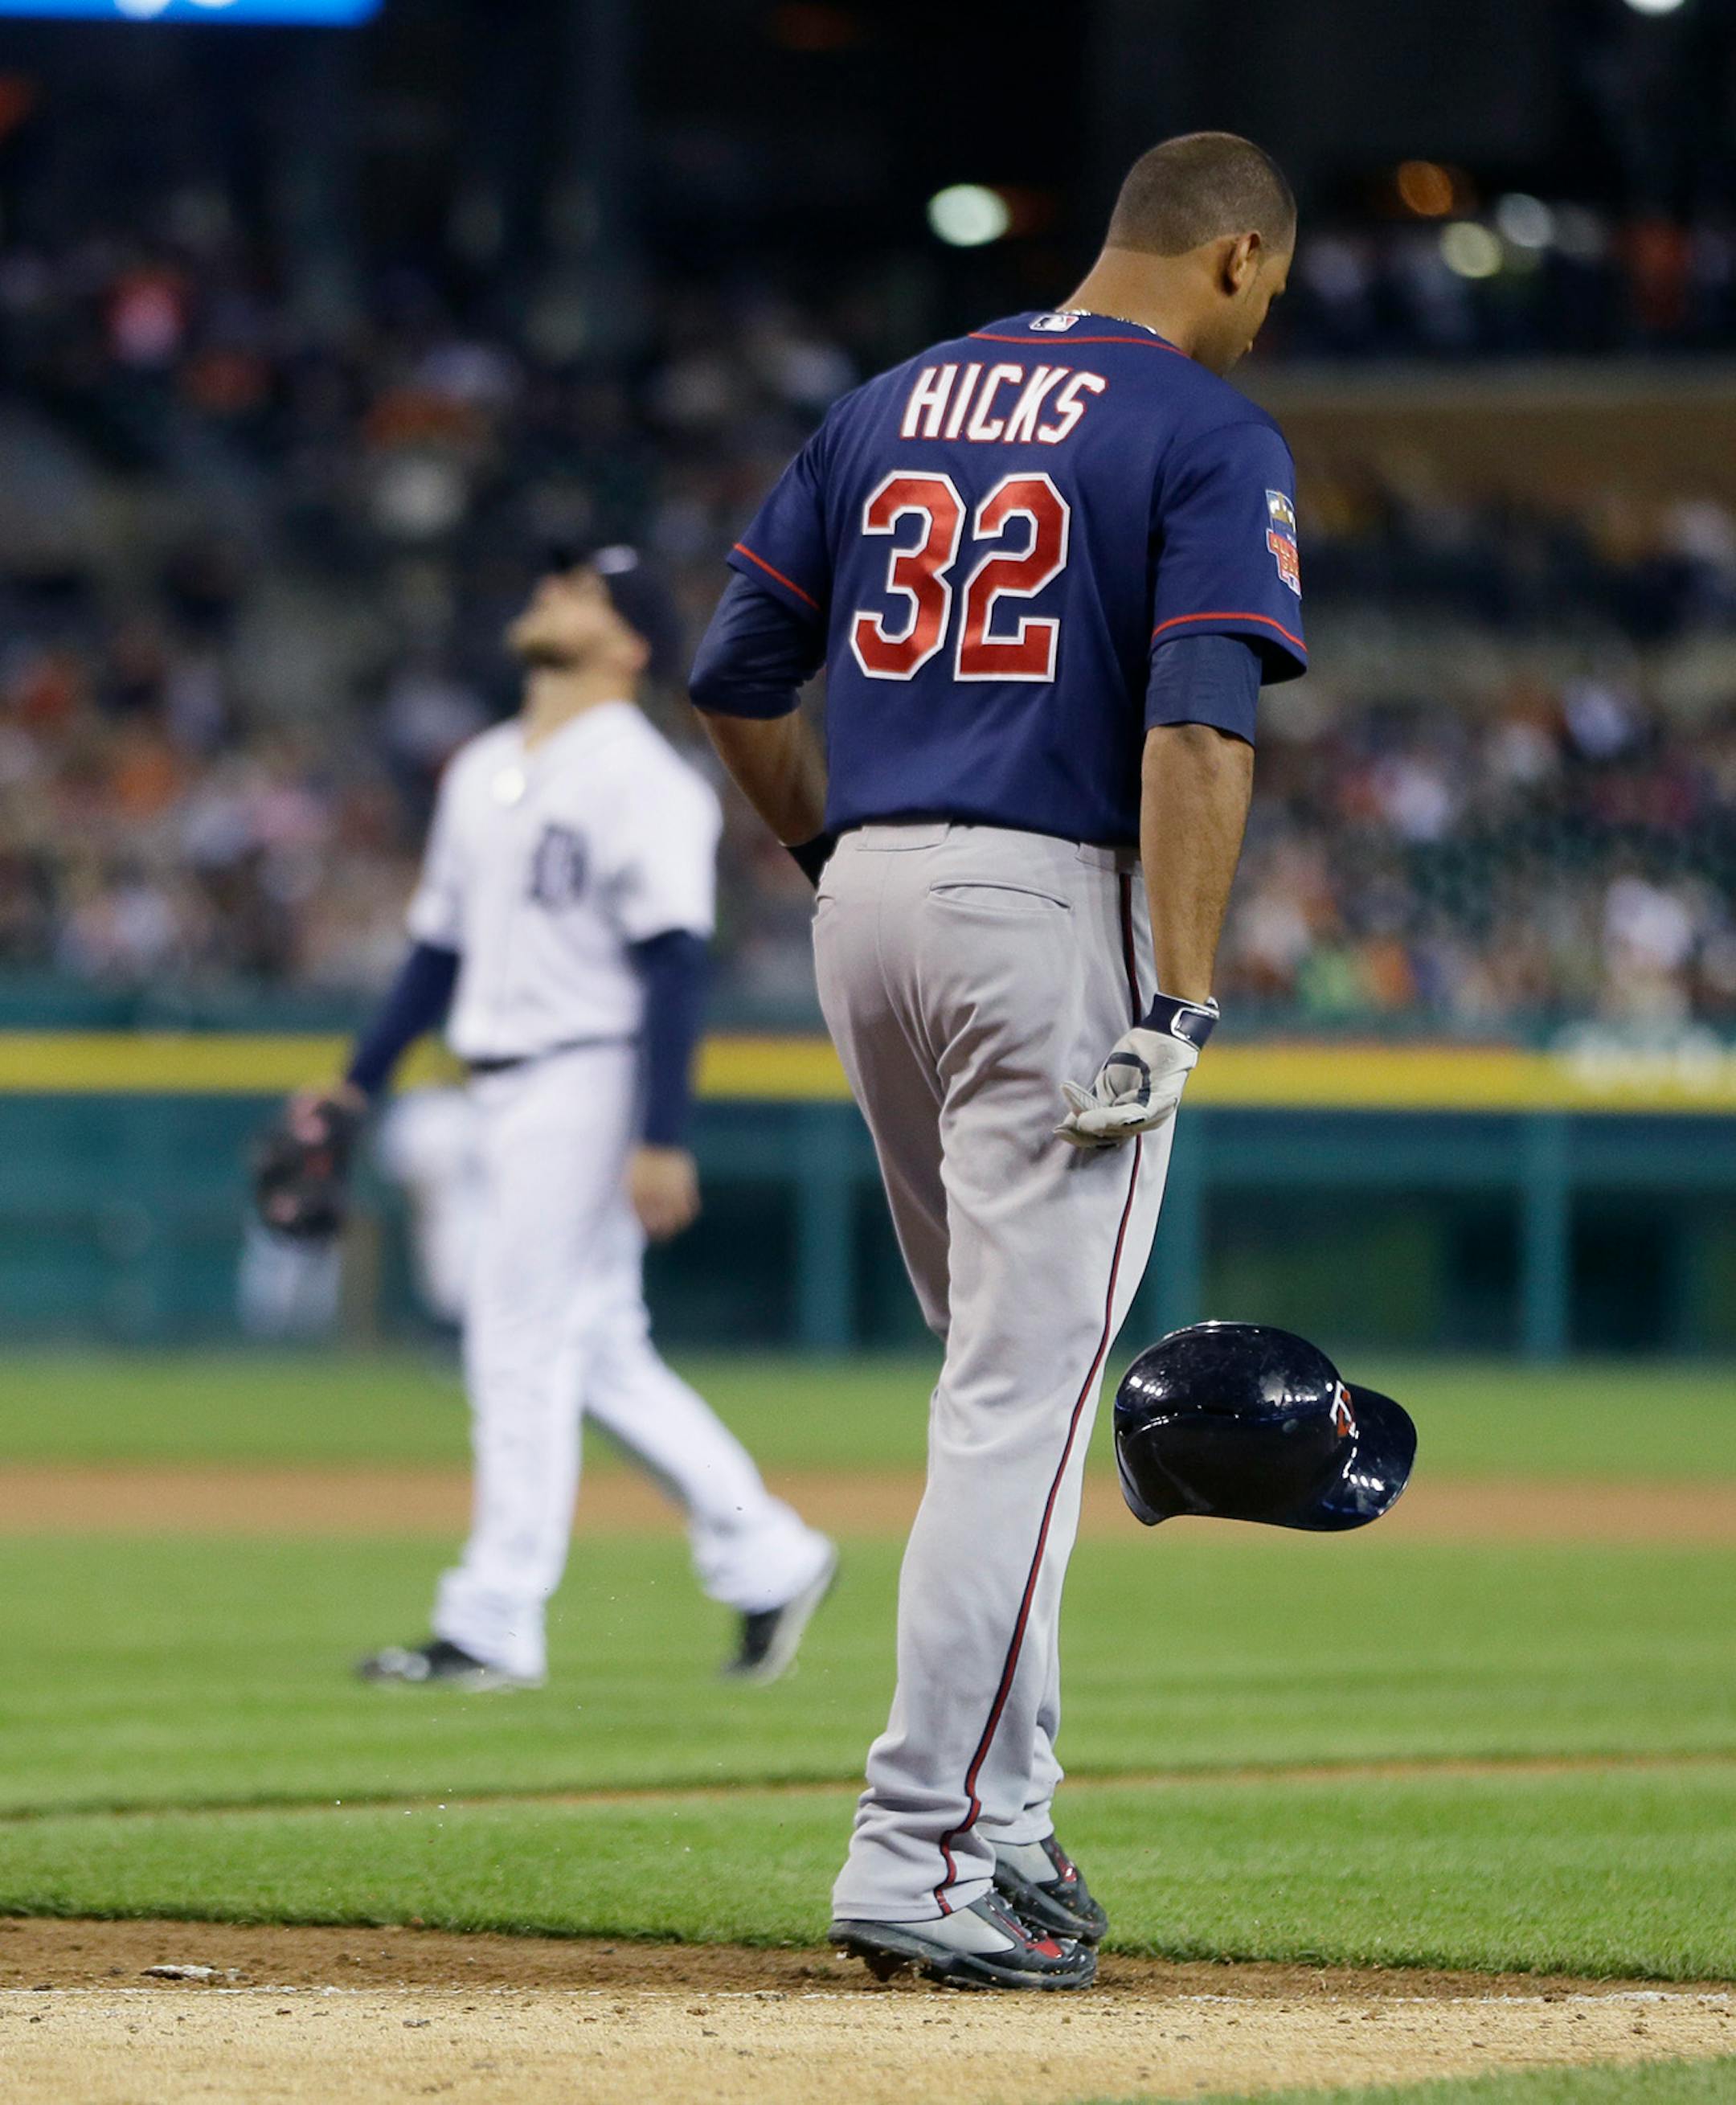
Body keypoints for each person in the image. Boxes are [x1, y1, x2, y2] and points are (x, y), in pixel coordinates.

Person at [690, 133, 1304, 1988]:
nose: (1267, 310)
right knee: (1020, 1411)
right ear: (1234, 253)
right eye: (1270, 279)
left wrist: (846, 868)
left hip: (865, 892)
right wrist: (1177, 1001)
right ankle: (928, 1844)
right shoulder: (1201, 428)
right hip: (1051, 908)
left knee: (999, 1395)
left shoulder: (893, 399)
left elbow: (734, 677)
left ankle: (1006, 1818)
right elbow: (1200, 723)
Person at [305, 546, 837, 1692]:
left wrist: (662, 1133)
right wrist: (358, 1081)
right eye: (553, 583)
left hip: (589, 1071)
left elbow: (673, 968)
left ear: (631, 643)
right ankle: (768, 1553)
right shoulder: (484, 766)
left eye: (585, 593)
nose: (551, 594)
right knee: (595, 1347)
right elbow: (435, 952)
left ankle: (494, 1622)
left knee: (516, 1339)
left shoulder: (644, 778)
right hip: (493, 1077)